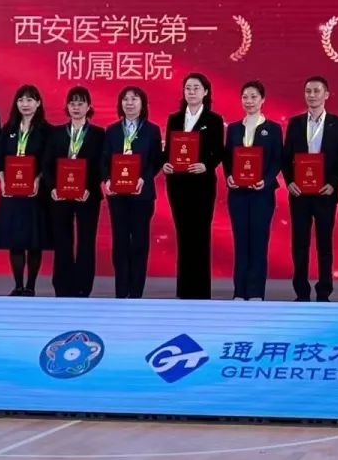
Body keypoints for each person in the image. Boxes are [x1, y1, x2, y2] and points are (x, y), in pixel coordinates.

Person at [282, 76, 338, 302]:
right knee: (299, 244)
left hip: (325, 193)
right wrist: (290, 182)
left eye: (316, 91)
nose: (312, 95)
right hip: (299, 194)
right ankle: (301, 292)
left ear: (326, 95)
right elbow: (286, 157)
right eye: (308, 91)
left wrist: (333, 183)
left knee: (324, 244)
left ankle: (324, 291)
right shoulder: (295, 123)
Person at [161, 73, 225, 299]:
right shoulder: (175, 119)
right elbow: (168, 149)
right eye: (188, 88)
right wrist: (165, 163)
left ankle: (200, 291)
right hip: (177, 184)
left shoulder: (214, 119)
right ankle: (184, 290)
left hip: (201, 184)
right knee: (183, 234)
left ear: (205, 92)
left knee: (200, 234)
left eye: (196, 88)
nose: (191, 92)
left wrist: (206, 165)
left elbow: (219, 151)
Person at [101, 86, 163, 298]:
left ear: (142, 104)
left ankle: (136, 292)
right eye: (125, 99)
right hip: (117, 195)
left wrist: (143, 178)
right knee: (120, 241)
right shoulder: (112, 131)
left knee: (139, 242)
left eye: (134, 99)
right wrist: (107, 180)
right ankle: (121, 291)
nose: (129, 103)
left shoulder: (152, 130)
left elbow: (156, 160)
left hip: (141, 195)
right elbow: (104, 160)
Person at [223, 80, 283, 301]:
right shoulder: (234, 128)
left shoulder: (273, 129)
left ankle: (256, 291)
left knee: (258, 241)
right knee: (241, 241)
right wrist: (229, 177)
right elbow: (227, 158)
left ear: (262, 99)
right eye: (245, 97)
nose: (249, 101)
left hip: (262, 194)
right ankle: (239, 291)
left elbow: (277, 160)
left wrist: (266, 181)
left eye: (254, 97)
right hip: (238, 194)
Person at [44, 86, 105, 298]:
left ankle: (83, 287)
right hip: (60, 195)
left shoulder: (98, 134)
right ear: (67, 107)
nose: (76, 108)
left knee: (86, 240)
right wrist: (52, 187)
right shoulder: (56, 133)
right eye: (72, 103)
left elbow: (101, 165)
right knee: (62, 240)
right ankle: (62, 286)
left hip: (88, 196)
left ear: (89, 107)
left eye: (80, 103)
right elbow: (47, 164)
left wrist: (89, 188)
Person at [0, 84, 52, 296]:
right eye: (21, 100)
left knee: (34, 241)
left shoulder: (46, 130)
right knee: (15, 240)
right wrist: (2, 181)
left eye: (29, 100)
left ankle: (31, 286)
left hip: (36, 193)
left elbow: (48, 160)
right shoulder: (8, 129)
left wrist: (38, 179)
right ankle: (18, 285)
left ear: (38, 103)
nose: (25, 104)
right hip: (12, 192)